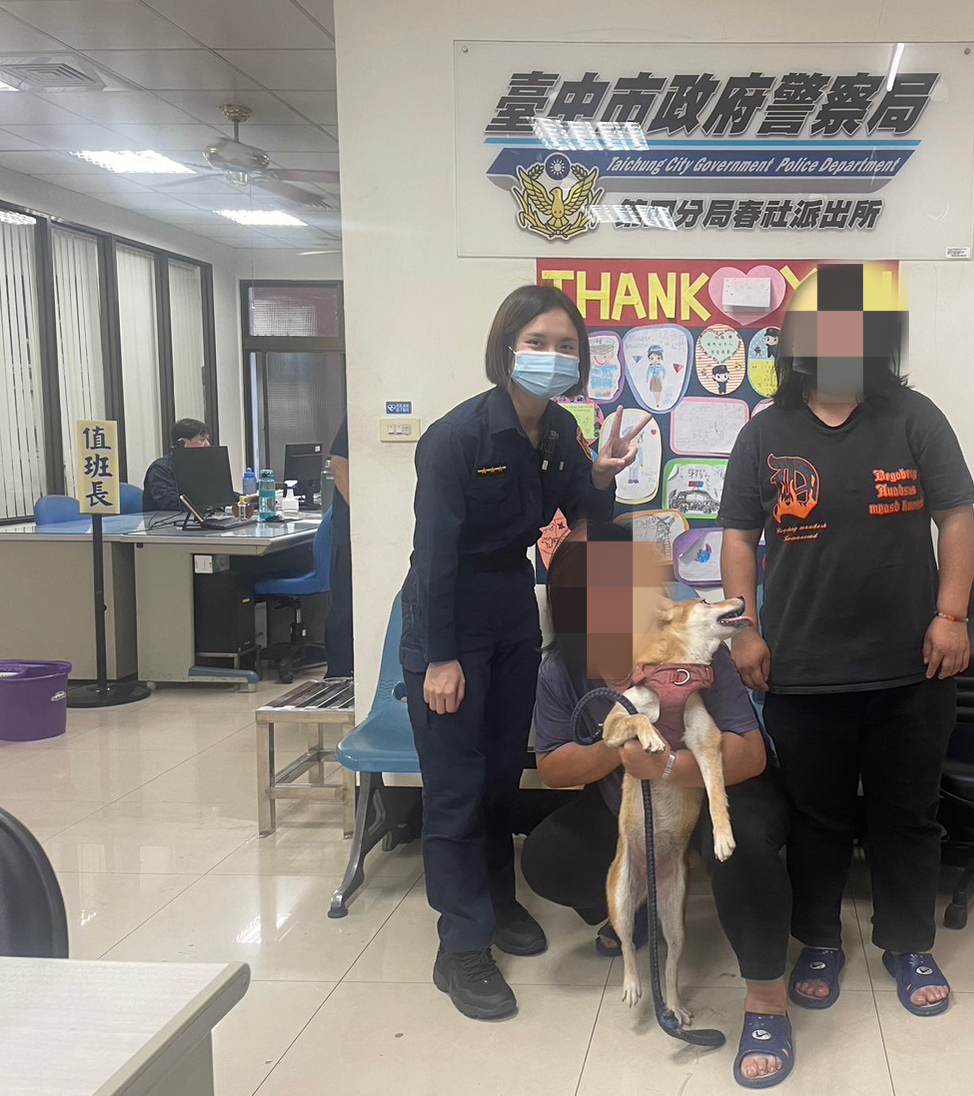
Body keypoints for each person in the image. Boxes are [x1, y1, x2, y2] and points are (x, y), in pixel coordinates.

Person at [717, 263, 974, 1019]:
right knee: (817, 819)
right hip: (801, 667)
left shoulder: (915, 417)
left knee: (908, 815)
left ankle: (908, 942)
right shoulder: (763, 434)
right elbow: (737, 539)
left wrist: (952, 614)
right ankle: (820, 939)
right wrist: (744, 630)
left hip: (913, 666)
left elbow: (956, 517)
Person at [400, 284, 646, 1023]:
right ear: (506, 347)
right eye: (537, 342)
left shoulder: (560, 431)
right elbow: (433, 555)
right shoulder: (456, 437)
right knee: (454, 787)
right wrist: (441, 657)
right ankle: (461, 944)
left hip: (511, 608)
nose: (552, 356)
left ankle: (495, 900)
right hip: (450, 618)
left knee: (502, 777)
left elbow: (582, 519)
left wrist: (599, 477)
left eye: (565, 345)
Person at [521, 519, 796, 1087]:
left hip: (713, 790)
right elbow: (553, 767)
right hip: (631, 802)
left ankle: (767, 999)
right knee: (550, 858)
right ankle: (638, 911)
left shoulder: (690, 646)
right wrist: (618, 747)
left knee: (743, 842)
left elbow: (749, 754)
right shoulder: (562, 668)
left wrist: (669, 766)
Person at [325, 416, 353, 678]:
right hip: (351, 526)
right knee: (346, 602)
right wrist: (358, 507)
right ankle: (339, 675)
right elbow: (338, 463)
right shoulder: (353, 416)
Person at [141, 418, 210, 511]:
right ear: (181, 443)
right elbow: (170, 502)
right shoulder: (160, 469)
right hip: (166, 519)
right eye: (202, 440)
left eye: (207, 440)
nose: (207, 444)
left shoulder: (200, 467)